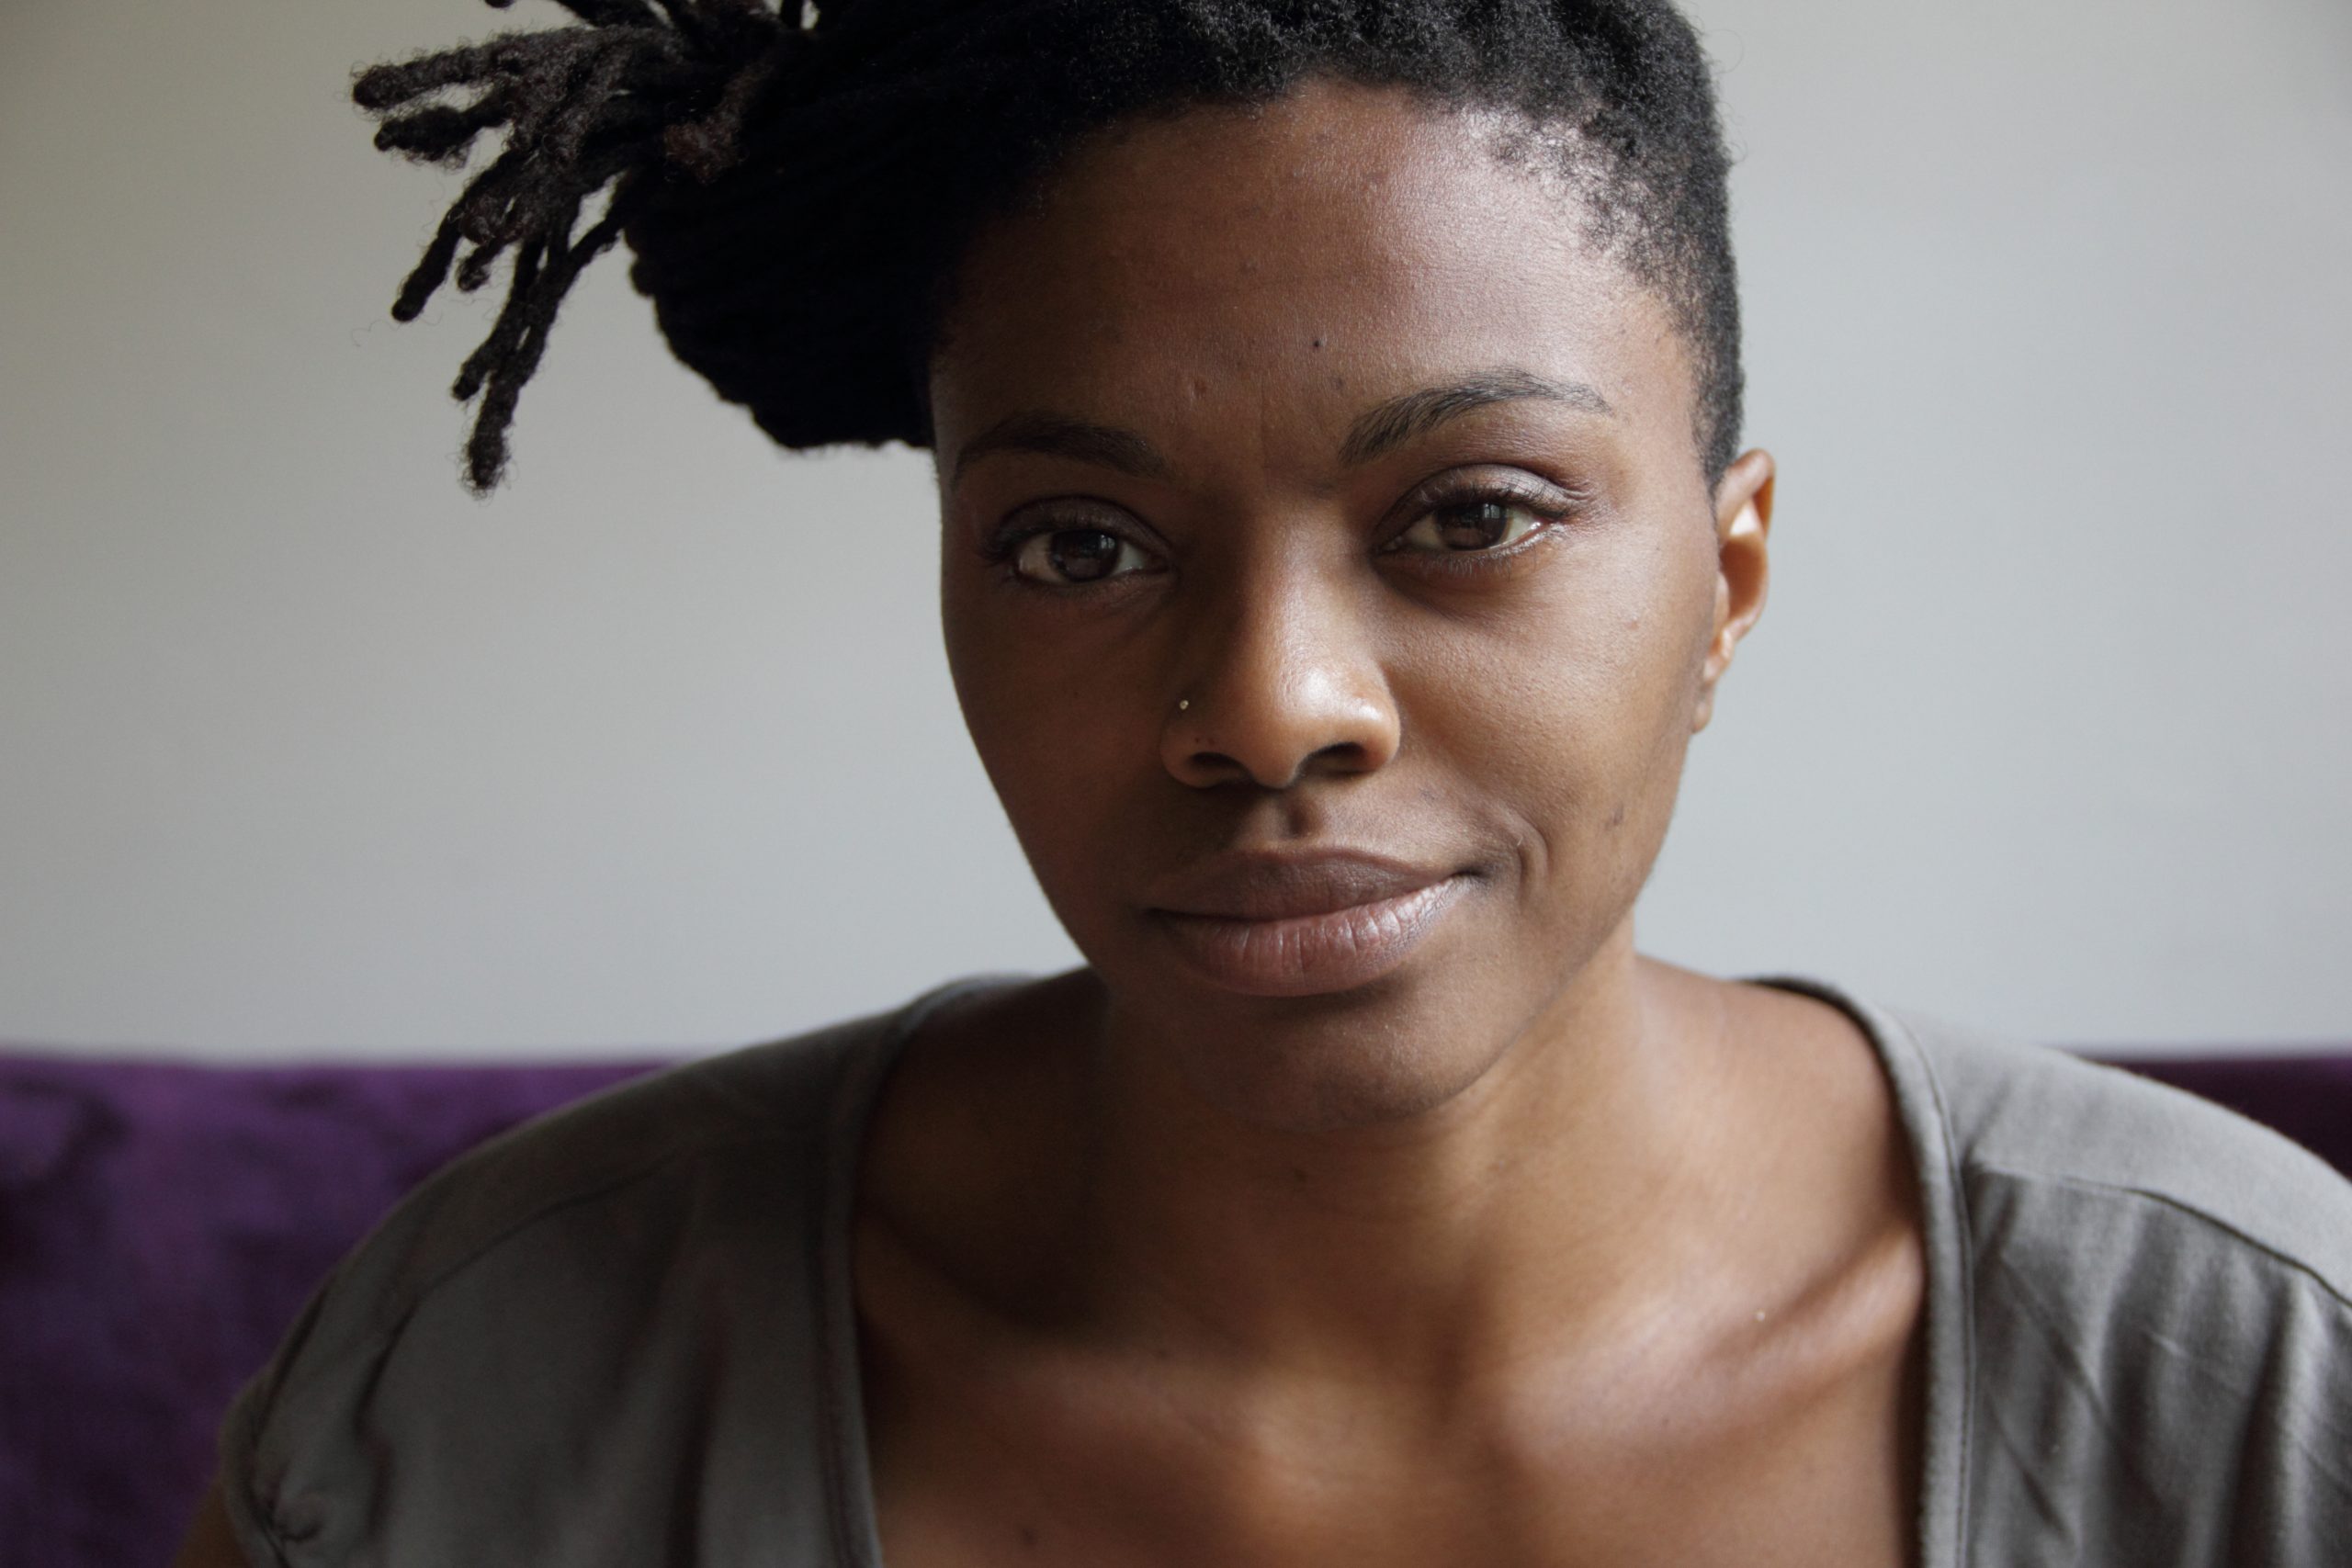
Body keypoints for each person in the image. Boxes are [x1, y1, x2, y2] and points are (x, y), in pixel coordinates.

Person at [175, 2, 2352, 1563]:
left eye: (1471, 509)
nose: (1267, 705)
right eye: (1077, 546)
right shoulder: (481, 1392)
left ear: (1729, 568)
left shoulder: (2257, 1386)